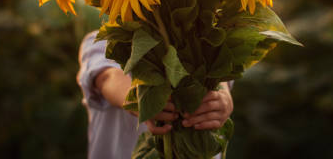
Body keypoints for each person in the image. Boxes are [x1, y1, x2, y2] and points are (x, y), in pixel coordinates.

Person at [77, 30, 234, 158]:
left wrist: (223, 101)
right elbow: (106, 78)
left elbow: (220, 78)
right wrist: (138, 100)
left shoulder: (203, 39)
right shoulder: (103, 41)